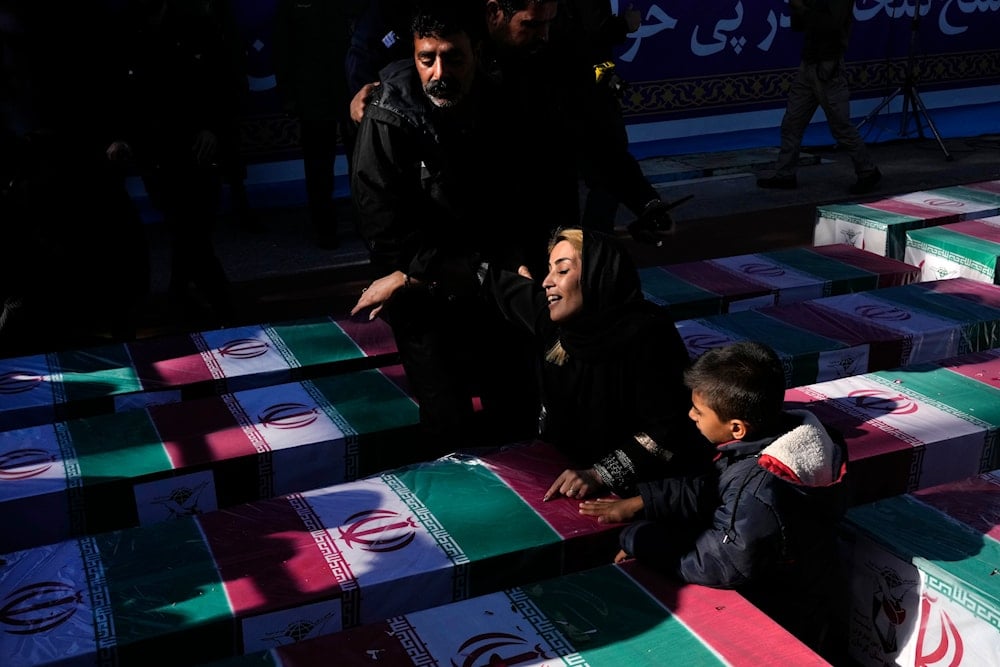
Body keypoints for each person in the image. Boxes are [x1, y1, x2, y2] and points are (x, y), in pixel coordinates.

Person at [350, 0, 538, 457]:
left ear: (475, 52)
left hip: (485, 274)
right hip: (419, 288)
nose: (439, 71)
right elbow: (381, 222)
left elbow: (511, 197)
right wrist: (421, 272)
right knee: (445, 413)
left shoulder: (500, 101)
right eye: (426, 58)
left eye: (452, 57)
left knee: (512, 399)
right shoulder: (388, 111)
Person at [593, 340, 849, 658]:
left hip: (780, 616)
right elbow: (714, 488)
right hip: (794, 586)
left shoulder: (758, 486)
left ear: (737, 428)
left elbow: (721, 563)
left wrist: (640, 539)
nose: (690, 415)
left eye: (699, 412)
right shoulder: (782, 439)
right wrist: (647, 500)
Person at [489, 227, 711, 502]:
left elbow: (670, 426)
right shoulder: (561, 326)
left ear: (598, 275)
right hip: (555, 473)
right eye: (548, 270)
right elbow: (507, 290)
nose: (546, 282)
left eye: (562, 271)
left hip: (634, 492)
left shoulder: (647, 336)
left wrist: (598, 475)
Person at [106, 0, 246, 328]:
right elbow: (116, 89)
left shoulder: (197, 23)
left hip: (198, 147)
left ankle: (182, 295)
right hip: (155, 151)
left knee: (194, 227)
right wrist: (120, 136)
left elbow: (223, 81)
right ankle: (217, 306)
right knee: (187, 229)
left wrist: (214, 128)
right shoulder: (124, 29)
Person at [757, 0, 881, 195]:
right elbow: (799, 26)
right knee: (792, 123)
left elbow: (831, 26)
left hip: (828, 67)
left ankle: (868, 172)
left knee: (841, 126)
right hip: (808, 65)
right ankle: (785, 173)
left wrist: (802, 7)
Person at [272, 0, 365, 249]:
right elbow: (282, 45)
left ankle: (366, 223)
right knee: (318, 167)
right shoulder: (291, 4)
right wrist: (288, 95)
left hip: (350, 90)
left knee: (361, 162)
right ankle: (324, 228)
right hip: (311, 94)